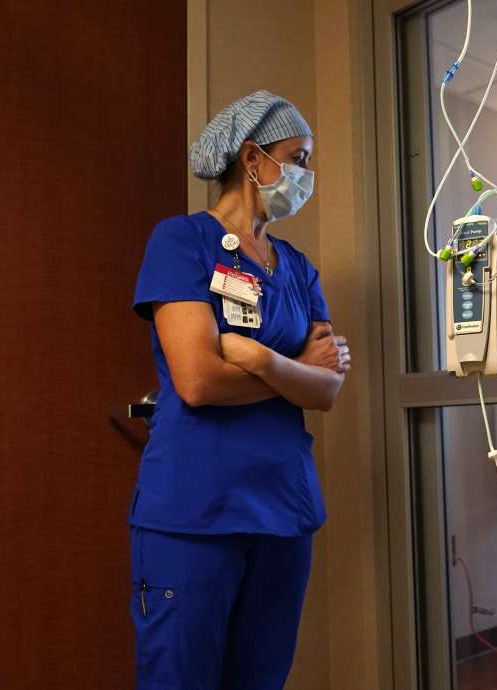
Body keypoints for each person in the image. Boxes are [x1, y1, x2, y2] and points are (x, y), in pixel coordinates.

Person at [128, 90, 350, 690]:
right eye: (297, 157)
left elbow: (327, 389)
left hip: (282, 508)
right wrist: (294, 368)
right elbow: (198, 382)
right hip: (195, 510)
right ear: (254, 158)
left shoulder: (296, 267)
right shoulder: (182, 242)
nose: (307, 174)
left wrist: (254, 357)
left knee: (260, 678)